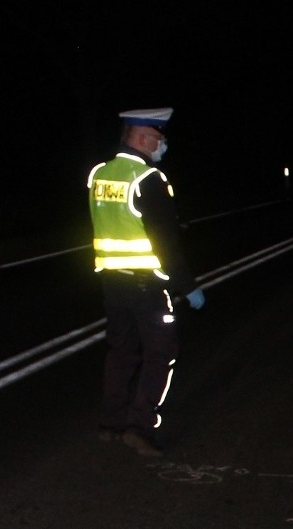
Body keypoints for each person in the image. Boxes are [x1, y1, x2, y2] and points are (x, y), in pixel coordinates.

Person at [86, 106, 206, 457]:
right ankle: (140, 427)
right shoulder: (148, 179)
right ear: (141, 137)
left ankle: (110, 423)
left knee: (120, 351)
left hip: (111, 281)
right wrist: (188, 287)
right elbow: (164, 243)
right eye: (158, 138)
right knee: (160, 352)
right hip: (147, 284)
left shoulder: (99, 175)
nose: (162, 145)